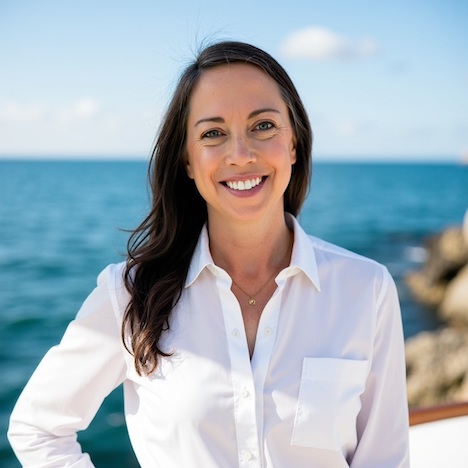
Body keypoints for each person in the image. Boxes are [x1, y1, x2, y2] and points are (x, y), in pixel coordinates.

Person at [8, 41, 410, 467]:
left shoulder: (367, 288)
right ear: (186, 160)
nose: (241, 154)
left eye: (264, 126)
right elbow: (38, 428)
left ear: (294, 144)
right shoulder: (130, 293)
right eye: (213, 133)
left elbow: (384, 458)